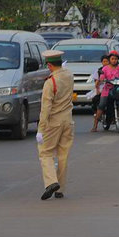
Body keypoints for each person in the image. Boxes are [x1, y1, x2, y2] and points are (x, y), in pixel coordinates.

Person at [36, 50, 75, 200]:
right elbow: (64, 72)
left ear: (50, 65)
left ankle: (51, 182)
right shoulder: (69, 75)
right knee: (63, 155)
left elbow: (45, 108)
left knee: (45, 153)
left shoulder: (50, 82)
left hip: (53, 122)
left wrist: (40, 129)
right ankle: (61, 188)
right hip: (68, 120)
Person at [91, 50, 119, 132]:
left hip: (118, 89)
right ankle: (95, 125)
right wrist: (102, 79)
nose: (114, 60)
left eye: (115, 59)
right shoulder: (105, 68)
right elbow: (101, 77)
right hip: (107, 90)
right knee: (101, 105)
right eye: (112, 59)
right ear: (110, 59)